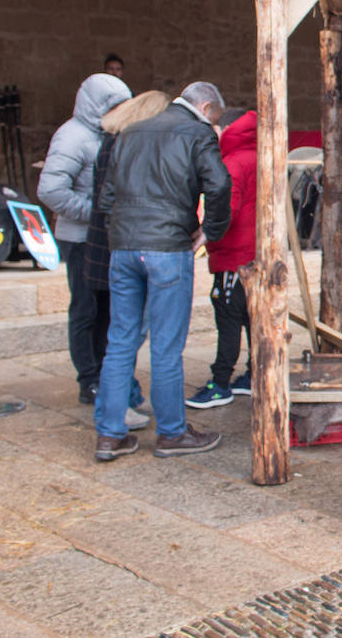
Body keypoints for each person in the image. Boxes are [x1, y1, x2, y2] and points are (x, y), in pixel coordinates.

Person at [92, 82, 232, 461]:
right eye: (216, 117)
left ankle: (109, 435)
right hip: (169, 249)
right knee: (167, 347)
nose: (215, 124)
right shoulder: (197, 132)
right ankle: (172, 433)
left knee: (120, 342)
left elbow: (106, 197)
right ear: (205, 106)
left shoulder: (131, 131)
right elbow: (219, 184)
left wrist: (122, 234)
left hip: (124, 249)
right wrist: (210, 232)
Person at [37, 73, 131, 406]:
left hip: (107, 238)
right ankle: (88, 378)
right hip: (80, 238)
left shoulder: (111, 134)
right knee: (85, 309)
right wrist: (96, 212)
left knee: (108, 307)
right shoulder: (72, 136)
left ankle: (107, 372)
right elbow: (50, 190)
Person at [84, 91, 172, 428]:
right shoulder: (125, 146)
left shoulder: (112, 143)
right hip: (123, 247)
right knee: (127, 336)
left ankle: (123, 402)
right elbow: (114, 201)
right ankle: (112, 409)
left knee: (123, 335)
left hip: (114, 245)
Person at [187, 108, 256, 409]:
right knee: (252, 318)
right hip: (254, 254)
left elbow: (228, 208)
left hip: (234, 257)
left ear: (227, 128)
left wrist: (205, 233)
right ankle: (255, 374)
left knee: (228, 318)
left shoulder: (232, 162)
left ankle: (221, 383)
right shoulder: (257, 156)